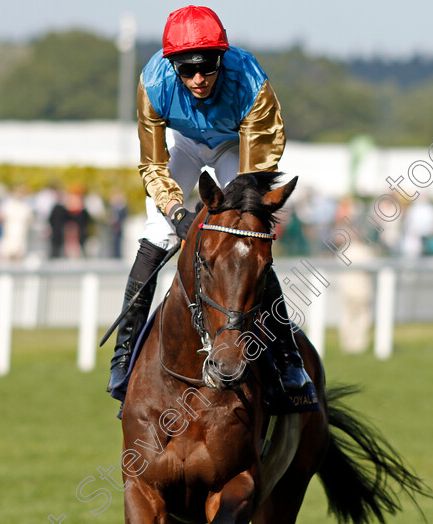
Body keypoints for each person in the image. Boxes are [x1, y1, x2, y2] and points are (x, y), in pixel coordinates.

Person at [107, 5, 311, 396]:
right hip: (183, 147)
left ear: (223, 58)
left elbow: (255, 175)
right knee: (158, 235)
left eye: (208, 67)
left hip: (236, 148)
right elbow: (152, 164)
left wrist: (233, 217)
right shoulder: (152, 82)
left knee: (245, 241)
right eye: (187, 70)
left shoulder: (251, 83)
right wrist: (177, 212)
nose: (198, 79)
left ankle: (288, 358)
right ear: (172, 66)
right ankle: (124, 355)